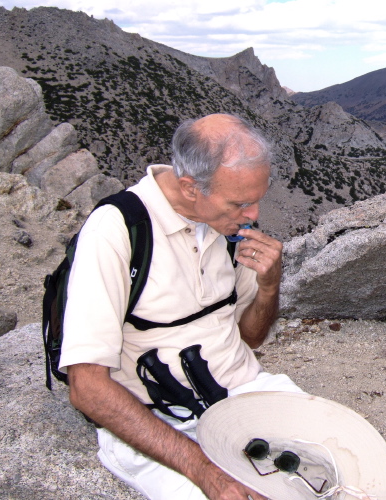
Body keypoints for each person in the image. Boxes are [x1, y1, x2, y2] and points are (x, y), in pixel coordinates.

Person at [59, 114, 319, 500]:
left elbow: (250, 337)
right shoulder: (116, 230)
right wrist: (204, 470)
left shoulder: (232, 232)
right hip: (160, 418)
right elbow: (87, 387)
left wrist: (268, 286)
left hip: (245, 389)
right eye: (241, 203)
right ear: (190, 187)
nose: (254, 216)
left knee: (360, 466)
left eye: (258, 199)